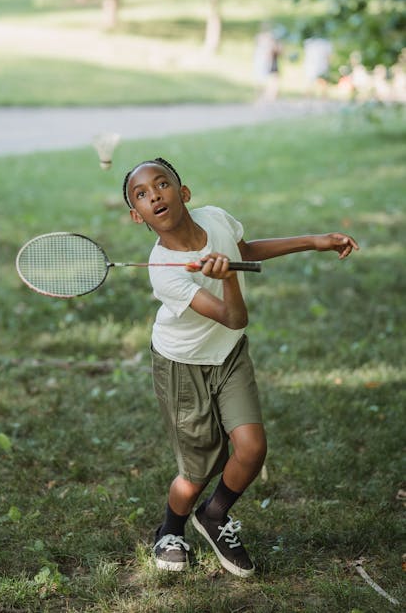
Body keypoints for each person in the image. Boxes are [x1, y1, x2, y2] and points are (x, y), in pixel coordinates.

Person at [122, 157, 359, 577]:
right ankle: (170, 528)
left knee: (251, 448)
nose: (154, 194)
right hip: (183, 365)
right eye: (141, 194)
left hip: (228, 355)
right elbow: (233, 316)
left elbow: (243, 251)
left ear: (184, 193)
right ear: (136, 215)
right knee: (195, 474)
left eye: (162, 184)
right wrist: (228, 277)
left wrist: (315, 240)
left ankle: (214, 516)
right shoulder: (163, 271)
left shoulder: (216, 219)